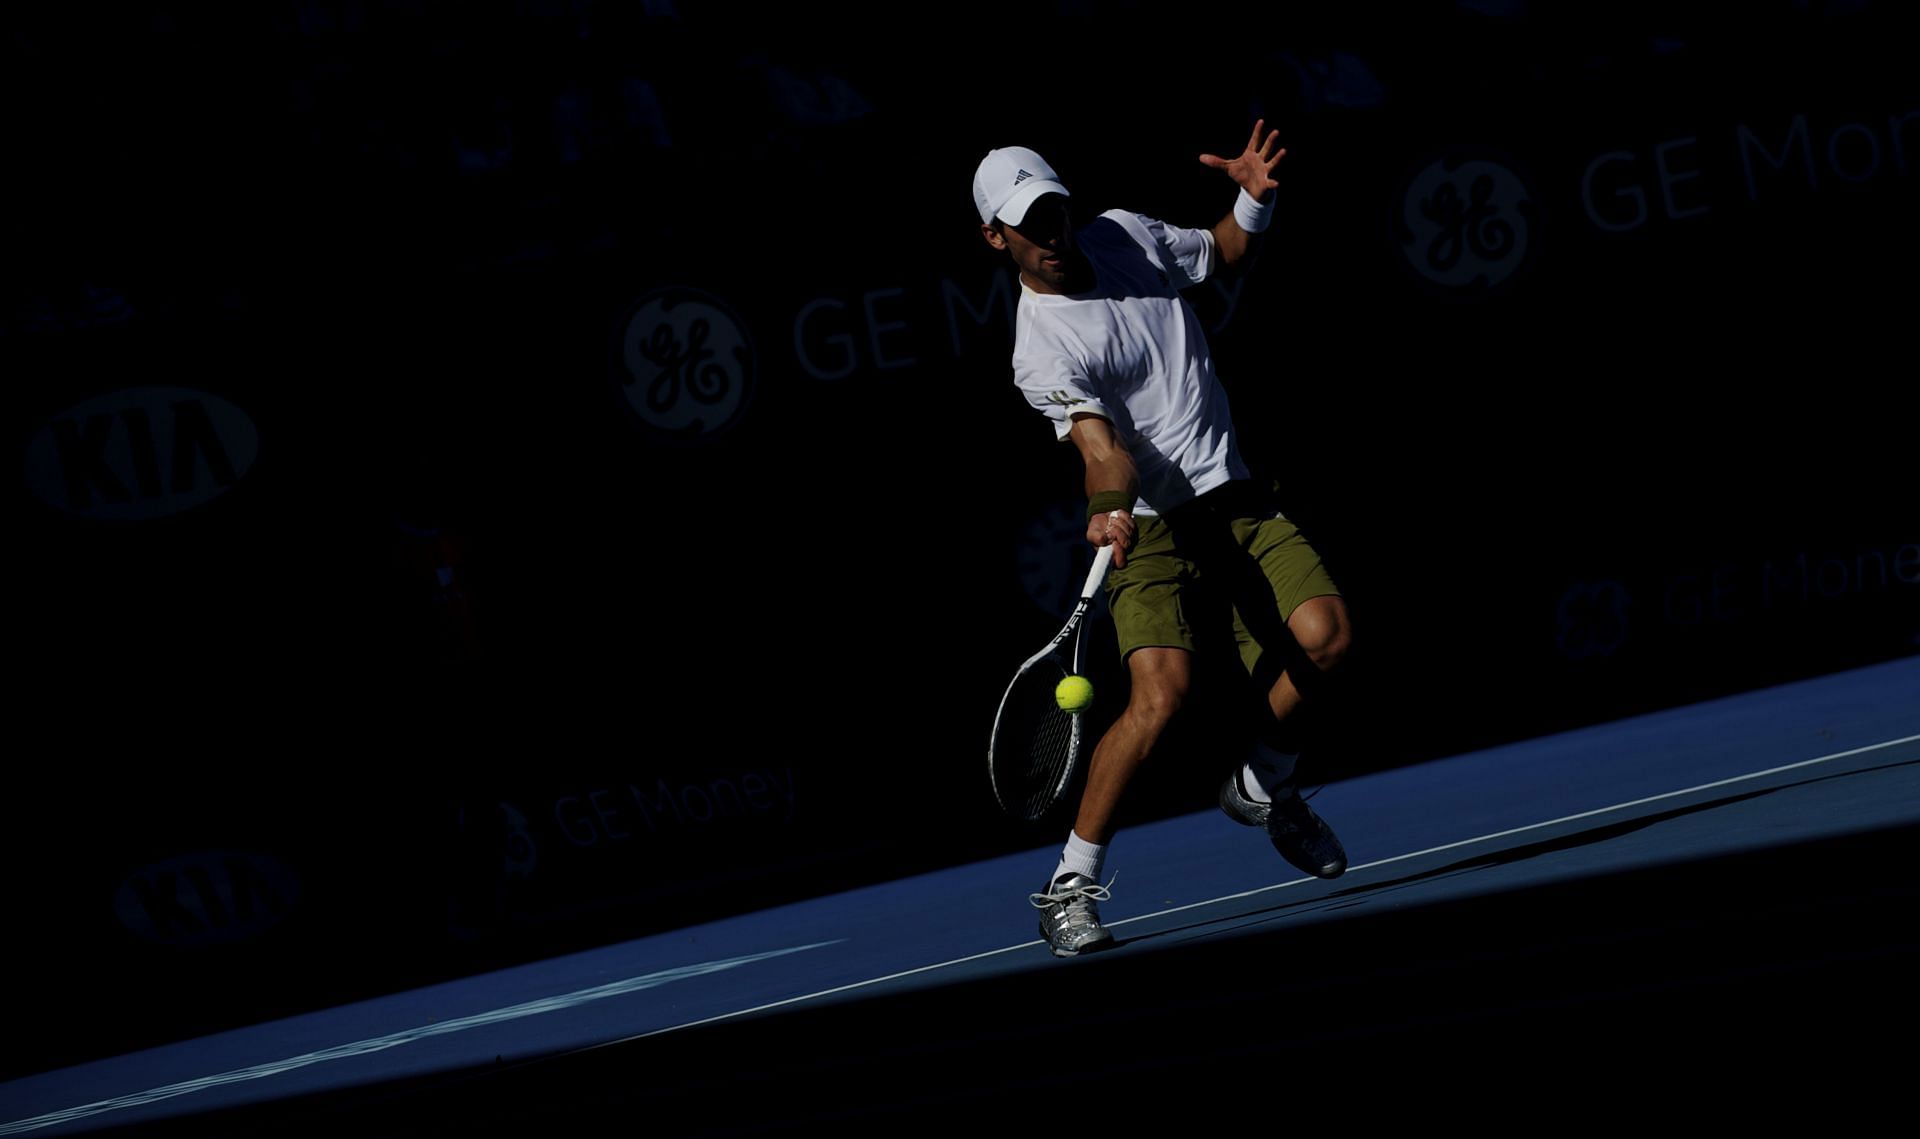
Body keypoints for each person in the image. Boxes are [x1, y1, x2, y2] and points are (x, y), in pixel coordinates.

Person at [973, 123, 1354, 958]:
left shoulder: (1123, 233)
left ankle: (1265, 784)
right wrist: (1107, 503)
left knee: (1325, 636)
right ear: (995, 235)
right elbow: (1100, 447)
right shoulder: (1039, 348)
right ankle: (1069, 882)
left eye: (1054, 211)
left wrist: (1249, 202)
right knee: (1159, 696)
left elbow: (1219, 254)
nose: (1050, 233)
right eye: (1027, 223)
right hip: (1148, 530)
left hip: (1237, 496)